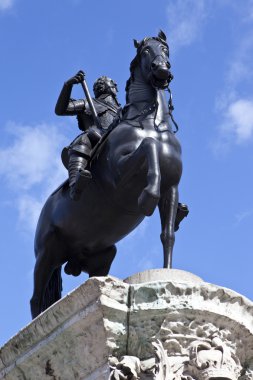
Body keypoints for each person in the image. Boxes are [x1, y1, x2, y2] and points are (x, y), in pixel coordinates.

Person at [55, 71, 121, 200]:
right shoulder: (90, 103)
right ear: (102, 87)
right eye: (112, 83)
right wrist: (68, 85)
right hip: (95, 140)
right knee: (85, 139)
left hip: (117, 143)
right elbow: (61, 109)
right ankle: (75, 184)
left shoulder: (122, 111)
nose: (115, 85)